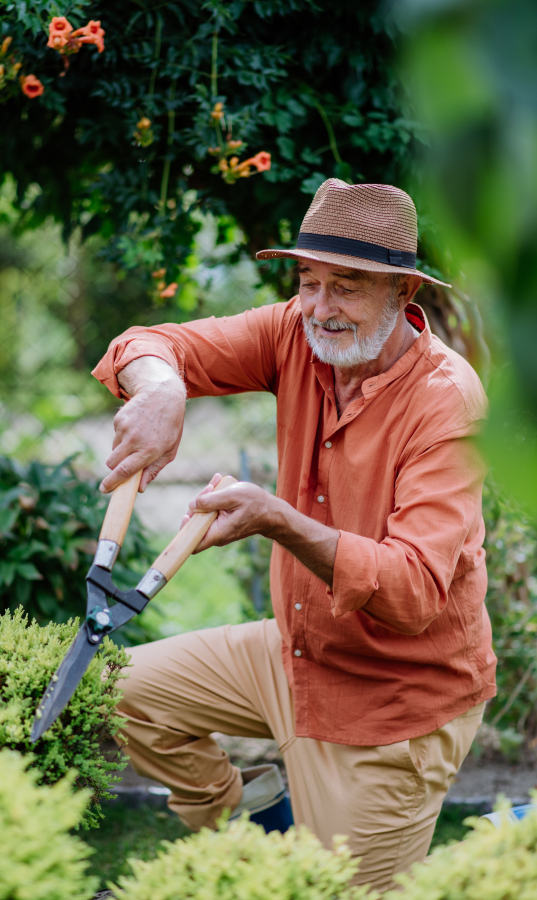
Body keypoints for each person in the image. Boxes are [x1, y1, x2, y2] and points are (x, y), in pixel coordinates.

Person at [92, 179, 496, 894]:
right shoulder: (295, 333)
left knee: (340, 890)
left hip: (393, 695)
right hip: (298, 650)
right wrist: (161, 390)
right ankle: (256, 819)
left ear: (402, 289)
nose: (318, 306)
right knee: (119, 693)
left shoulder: (446, 401)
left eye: (346, 285)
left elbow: (412, 592)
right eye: (308, 281)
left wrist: (279, 519)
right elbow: (151, 343)